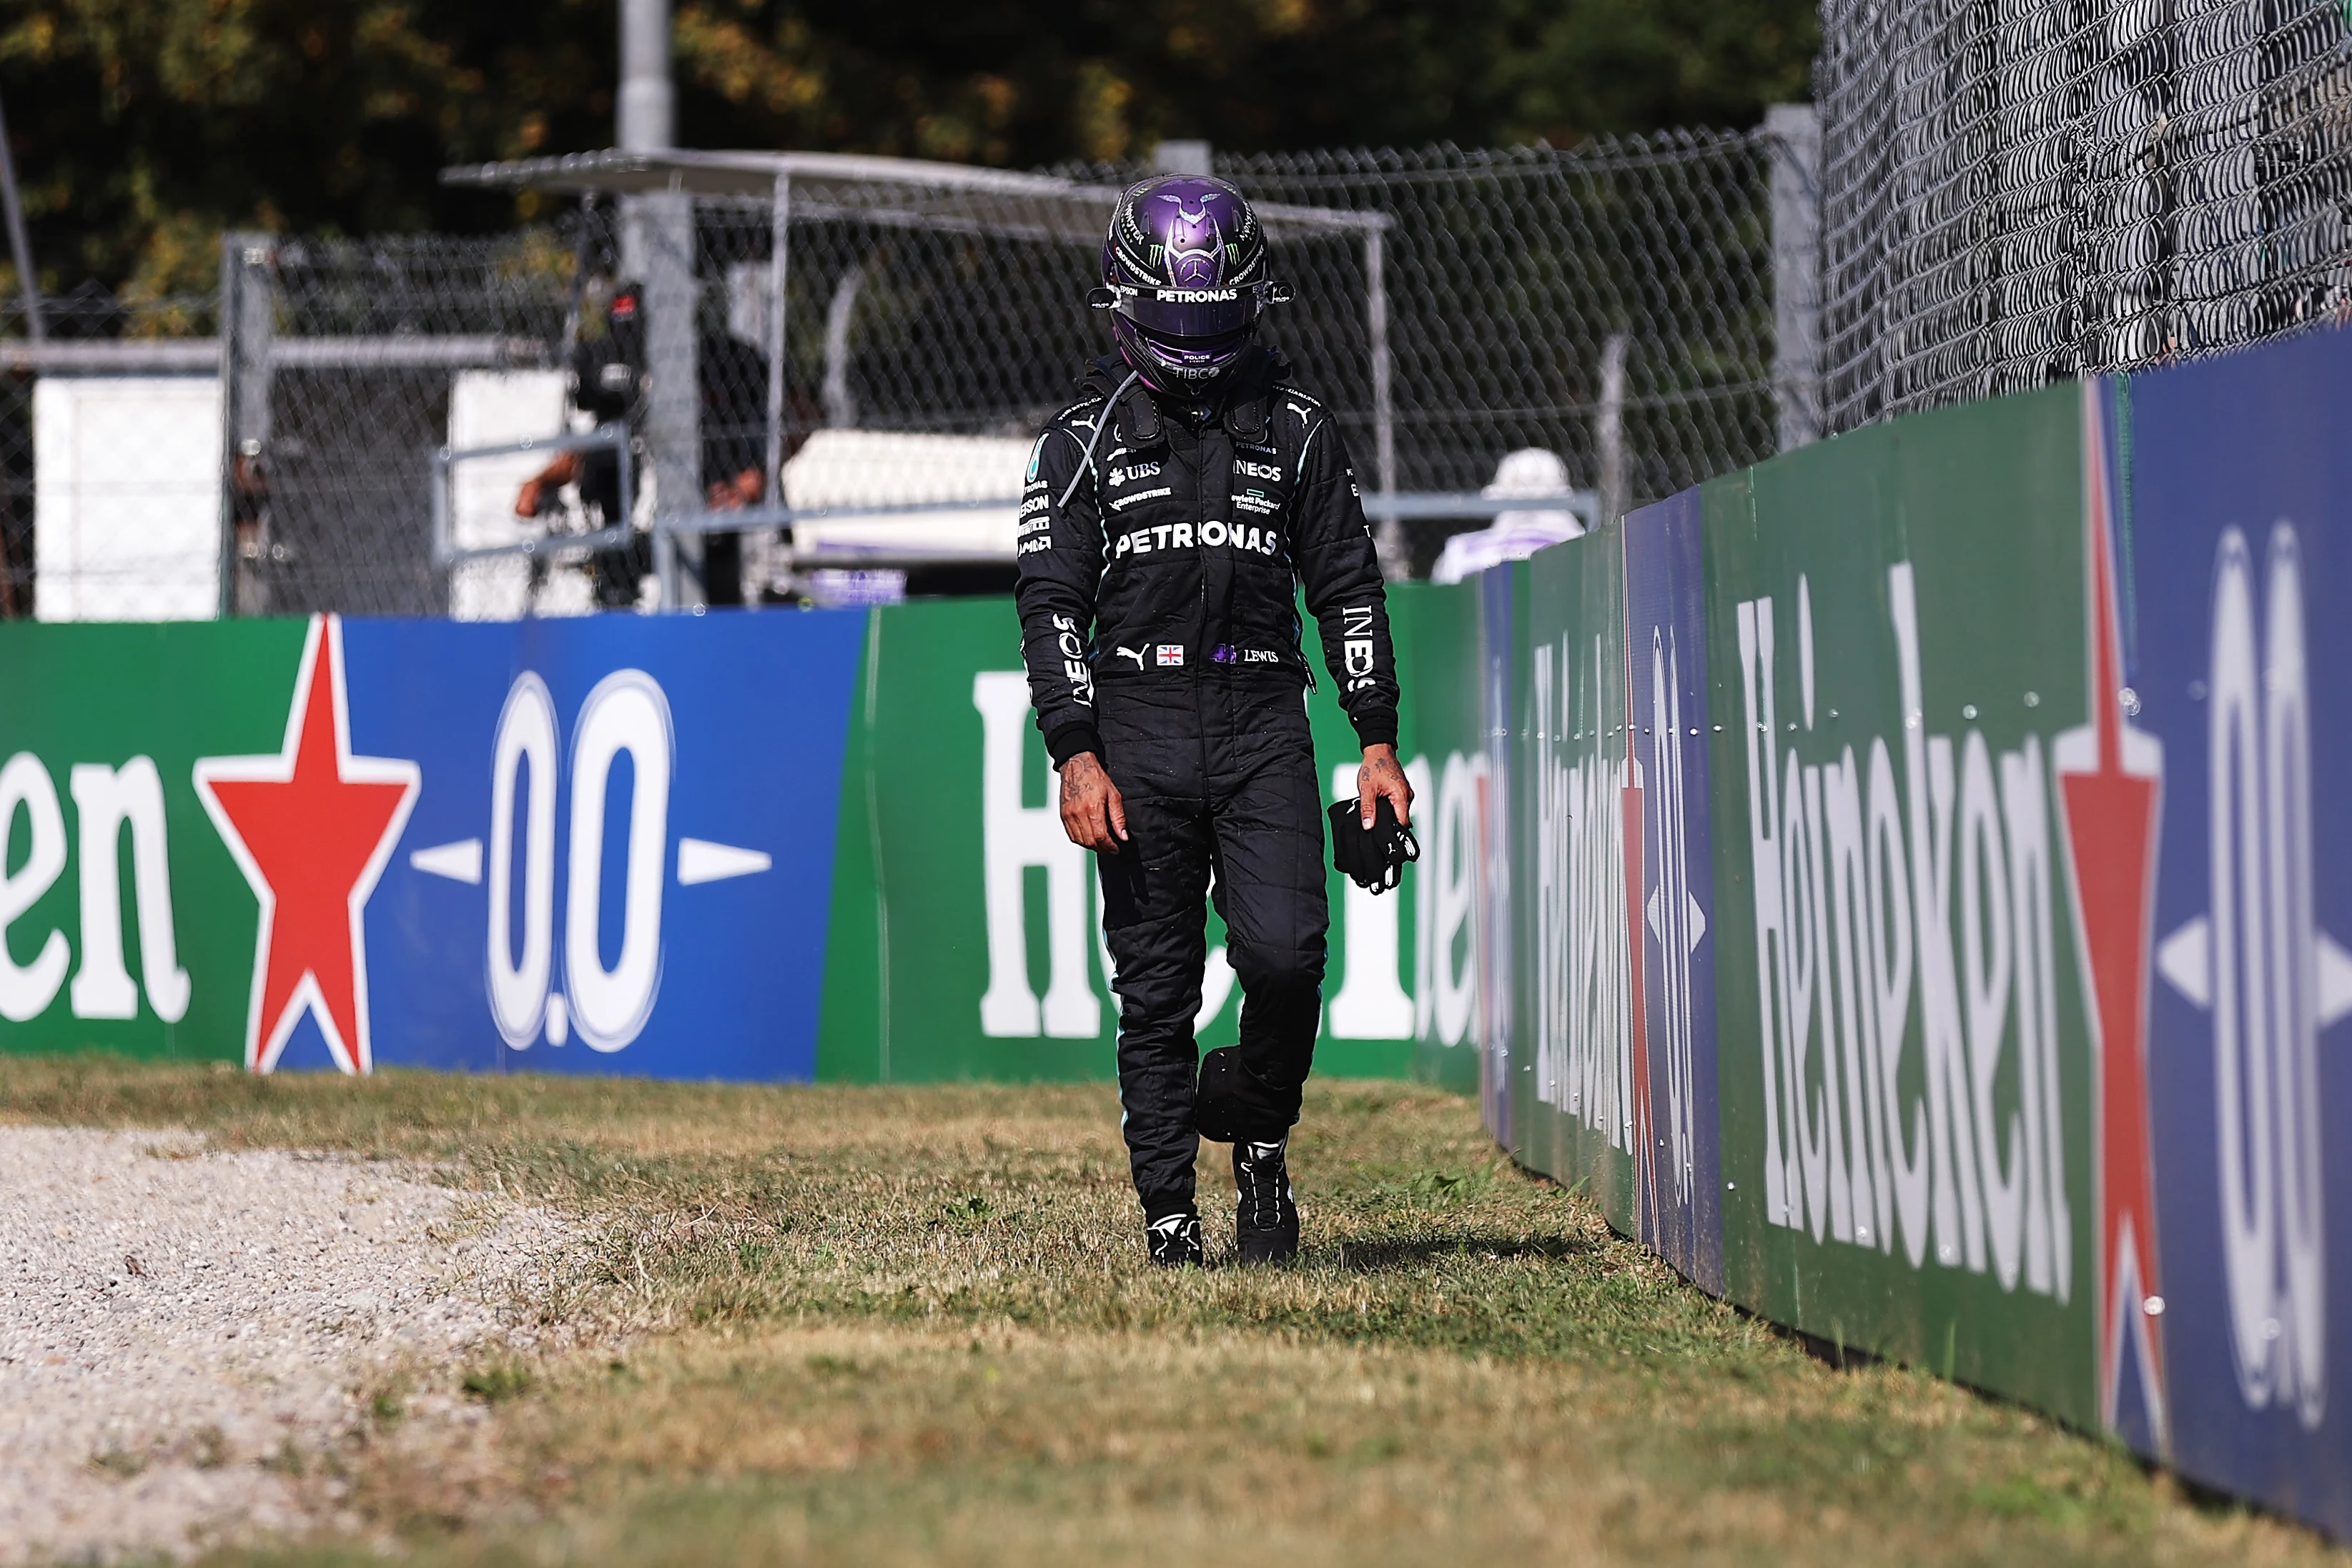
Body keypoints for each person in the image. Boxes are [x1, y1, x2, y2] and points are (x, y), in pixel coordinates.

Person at [1014, 174, 1412, 1269]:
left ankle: (1258, 1131)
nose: (1196, 341)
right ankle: (1170, 1220)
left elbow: (1348, 587)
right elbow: (1049, 604)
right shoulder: (1077, 442)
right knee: (1156, 988)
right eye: (1176, 316)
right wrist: (1075, 750)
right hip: (1134, 721)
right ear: (1126, 299)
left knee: (1287, 958)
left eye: (1216, 315)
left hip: (1260, 716)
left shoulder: (1298, 430)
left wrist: (1375, 737)